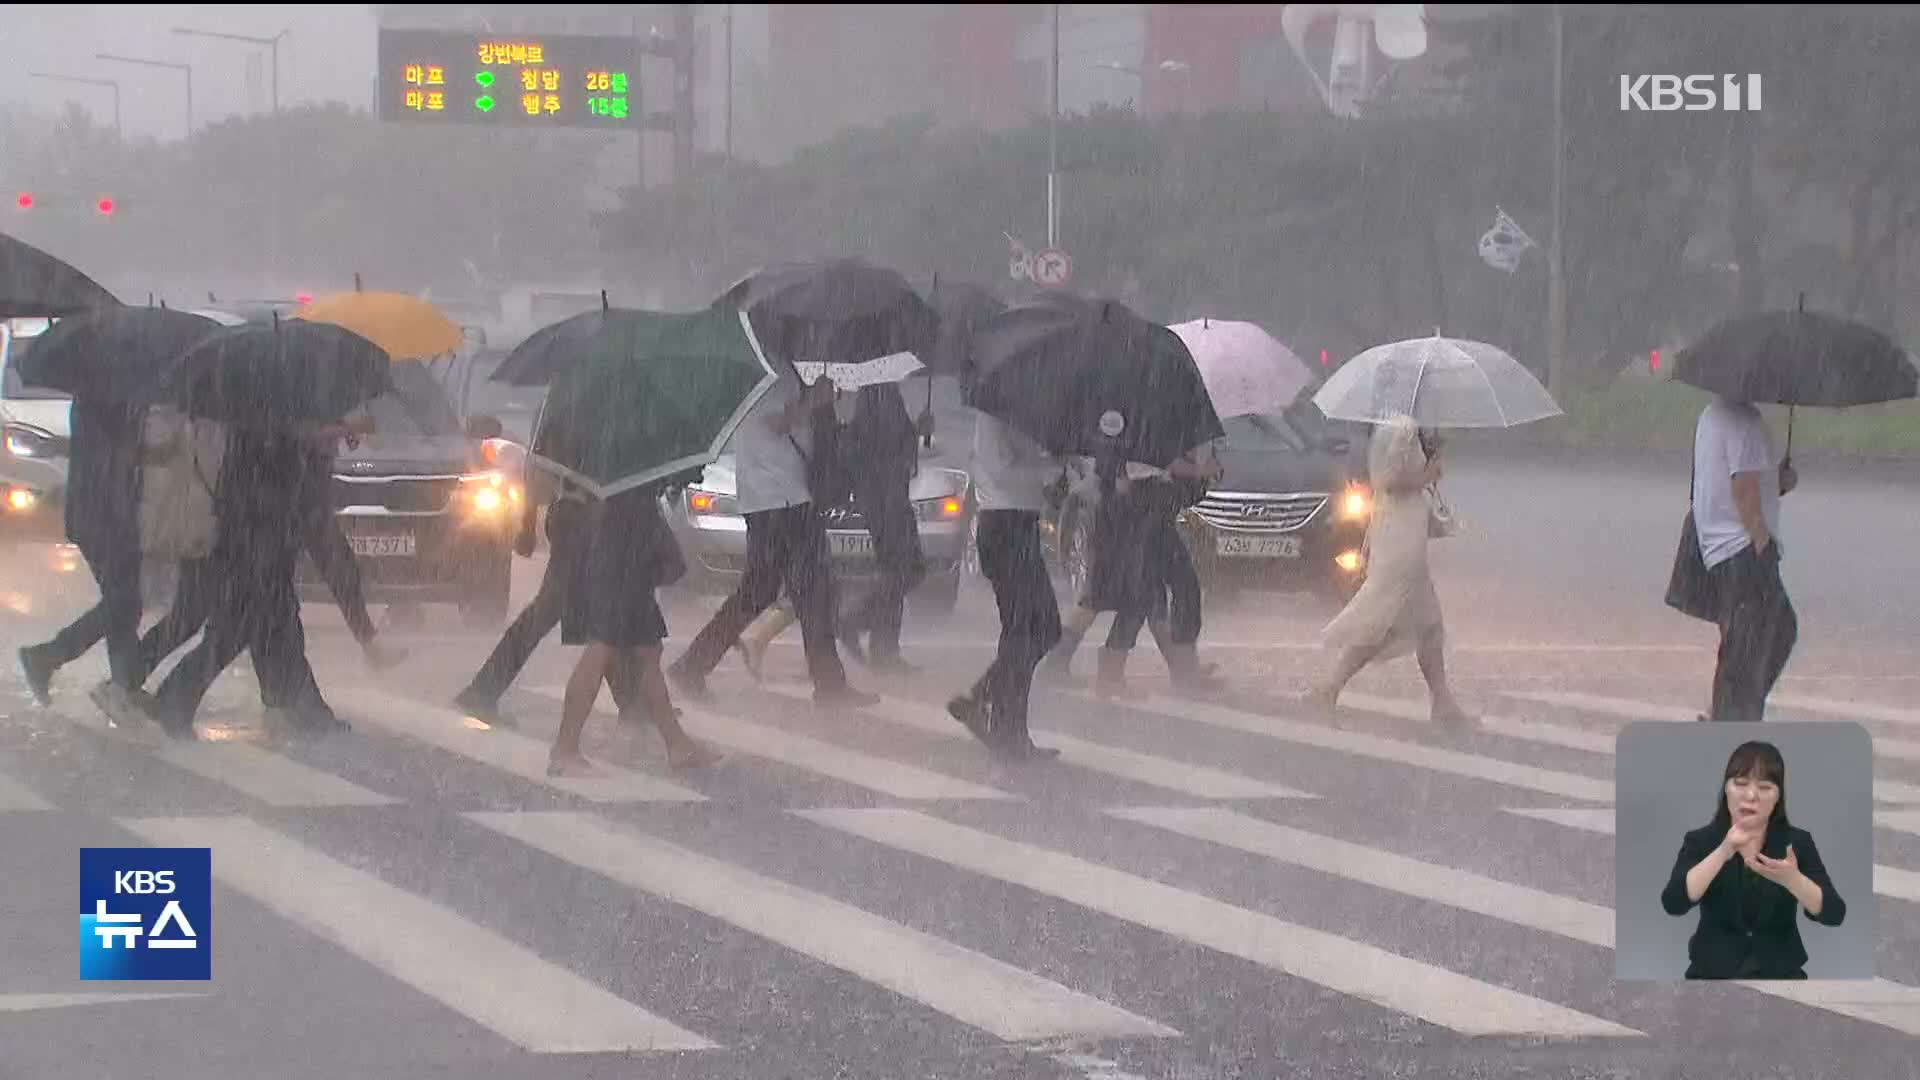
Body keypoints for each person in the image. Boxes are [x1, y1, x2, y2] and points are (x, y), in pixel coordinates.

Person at [135, 417, 405, 693]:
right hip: (264, 504)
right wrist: (344, 429)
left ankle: (293, 700)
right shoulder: (272, 408)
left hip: (278, 498)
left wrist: (337, 431)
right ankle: (146, 686)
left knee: (251, 616)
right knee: (222, 617)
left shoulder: (292, 402)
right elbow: (287, 432)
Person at [668, 373, 877, 708]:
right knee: (813, 592)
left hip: (775, 498)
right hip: (782, 500)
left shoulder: (771, 371)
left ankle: (693, 665)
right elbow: (777, 422)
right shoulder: (768, 374)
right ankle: (830, 686)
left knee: (761, 592)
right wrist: (817, 401)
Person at [145, 424, 343, 739]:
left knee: (261, 620)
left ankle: (299, 705)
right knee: (249, 622)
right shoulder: (267, 409)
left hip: (258, 518)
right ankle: (301, 707)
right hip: (259, 520)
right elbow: (280, 440)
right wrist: (332, 430)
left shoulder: (260, 407)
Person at [1303, 416, 1473, 729]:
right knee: (1383, 624)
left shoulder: (1399, 429)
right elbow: (1390, 481)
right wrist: (1427, 474)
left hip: (1404, 534)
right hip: (1401, 543)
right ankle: (1327, 689)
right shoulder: (1402, 429)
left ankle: (1443, 702)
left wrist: (1428, 475)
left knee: (1428, 625)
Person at [547, 486, 719, 777]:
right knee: (603, 646)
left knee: (646, 649)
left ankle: (676, 743)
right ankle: (565, 747)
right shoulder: (622, 465)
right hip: (619, 539)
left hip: (625, 535)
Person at [1660, 740, 1845, 979]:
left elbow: (1834, 913)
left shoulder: (1797, 843)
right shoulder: (1702, 840)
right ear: (1725, 789)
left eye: (1765, 787)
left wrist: (1793, 880)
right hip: (1711, 972)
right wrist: (1723, 851)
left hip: (1781, 973)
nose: (1751, 796)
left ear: (1778, 797)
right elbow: (1673, 903)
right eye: (1740, 784)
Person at [17, 394, 146, 723]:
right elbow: (108, 459)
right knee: (124, 601)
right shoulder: (107, 399)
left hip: (102, 515)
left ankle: (123, 685)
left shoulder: (103, 396)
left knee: (123, 601)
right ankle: (47, 657)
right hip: (105, 518)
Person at [945, 411, 1063, 760]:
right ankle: (1007, 730)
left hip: (1021, 526)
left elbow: (1026, 471)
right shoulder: (993, 415)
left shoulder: (1025, 415)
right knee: (1025, 631)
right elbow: (1000, 472)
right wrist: (1048, 470)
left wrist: (1054, 472)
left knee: (1042, 629)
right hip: (1004, 527)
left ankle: (984, 700)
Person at [1692, 396, 1798, 722]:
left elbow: (1731, 484)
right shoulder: (1745, 422)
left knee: (1746, 643)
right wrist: (1763, 545)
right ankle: (1730, 720)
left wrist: (1777, 483)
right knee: (1765, 638)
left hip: (1718, 549)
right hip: (1743, 551)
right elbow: (1743, 490)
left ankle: (1728, 712)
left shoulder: (1711, 415)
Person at [834, 383, 926, 672]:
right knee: (907, 570)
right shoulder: (881, 393)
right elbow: (891, 447)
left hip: (881, 497)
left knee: (895, 572)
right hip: (888, 499)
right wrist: (915, 431)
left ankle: (883, 650)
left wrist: (916, 430)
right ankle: (854, 622)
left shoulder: (876, 395)